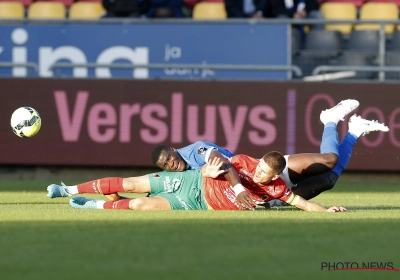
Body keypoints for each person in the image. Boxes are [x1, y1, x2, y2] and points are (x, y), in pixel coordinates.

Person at [47, 100, 389, 211]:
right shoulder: (182, 172)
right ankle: (355, 129)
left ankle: (331, 120)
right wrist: (237, 187)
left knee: (327, 166)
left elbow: (221, 160)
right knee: (330, 178)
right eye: (166, 165)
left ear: (172, 150)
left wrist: (235, 182)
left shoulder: (198, 153)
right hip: (237, 188)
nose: (172, 164)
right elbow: (222, 168)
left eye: (170, 159)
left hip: (266, 168)